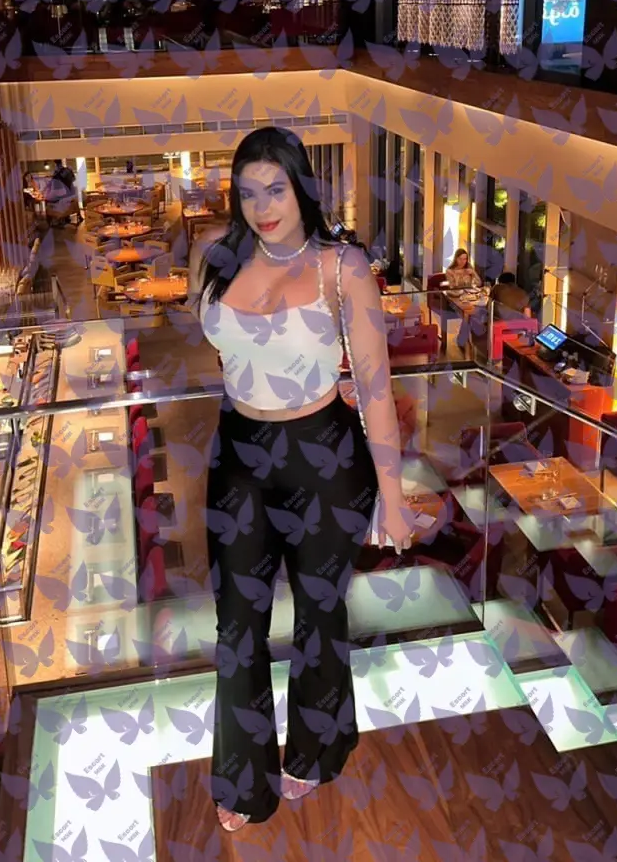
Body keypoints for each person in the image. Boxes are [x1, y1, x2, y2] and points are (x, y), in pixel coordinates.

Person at [187, 126, 415, 832]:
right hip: (239, 453)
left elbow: (374, 387)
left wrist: (394, 499)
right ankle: (243, 781)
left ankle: (318, 750)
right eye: (247, 193)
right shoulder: (215, 256)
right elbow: (220, 348)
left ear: (301, 187)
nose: (262, 207)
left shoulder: (341, 267)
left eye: (276, 189)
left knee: (319, 615)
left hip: (324, 455)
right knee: (237, 625)